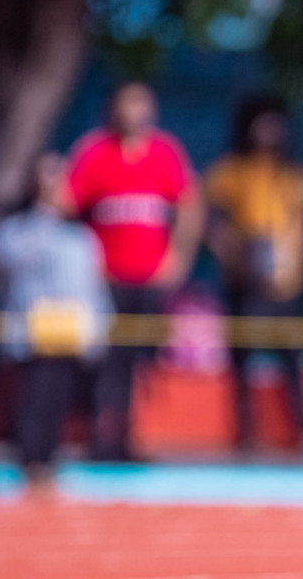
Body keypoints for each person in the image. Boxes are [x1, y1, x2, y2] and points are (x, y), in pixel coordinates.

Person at [65, 82, 203, 461]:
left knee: (136, 361)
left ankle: (123, 437)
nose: (134, 112)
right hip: (104, 280)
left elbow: (190, 206)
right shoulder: (94, 152)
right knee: (102, 359)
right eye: (127, 104)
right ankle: (98, 436)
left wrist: (177, 256)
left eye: (141, 104)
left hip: (149, 279)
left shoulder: (164, 153)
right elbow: (67, 206)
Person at [0, 154, 114, 487]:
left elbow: (93, 289)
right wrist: (44, 213)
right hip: (33, 332)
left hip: (71, 334)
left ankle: (48, 459)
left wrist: (98, 330)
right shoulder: (17, 230)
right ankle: (29, 461)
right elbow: (13, 259)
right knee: (33, 397)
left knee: (59, 401)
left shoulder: (82, 239)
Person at [205, 96, 303, 454]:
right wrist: (235, 257)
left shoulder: (292, 175)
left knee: (294, 362)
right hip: (246, 281)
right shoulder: (230, 172)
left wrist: (293, 258)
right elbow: (212, 222)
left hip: (286, 283)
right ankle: (247, 434)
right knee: (243, 360)